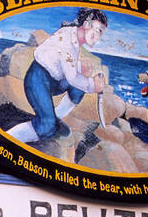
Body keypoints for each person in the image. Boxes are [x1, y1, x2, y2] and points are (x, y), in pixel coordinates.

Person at [8, 9, 107, 143]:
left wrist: (81, 69)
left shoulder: (73, 36)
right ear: (86, 24)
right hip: (37, 80)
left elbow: (62, 63)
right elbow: (71, 77)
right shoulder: (67, 41)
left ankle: (56, 118)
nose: (99, 37)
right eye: (99, 30)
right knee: (46, 126)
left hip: (53, 80)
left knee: (79, 87)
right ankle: (6, 138)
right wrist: (93, 85)